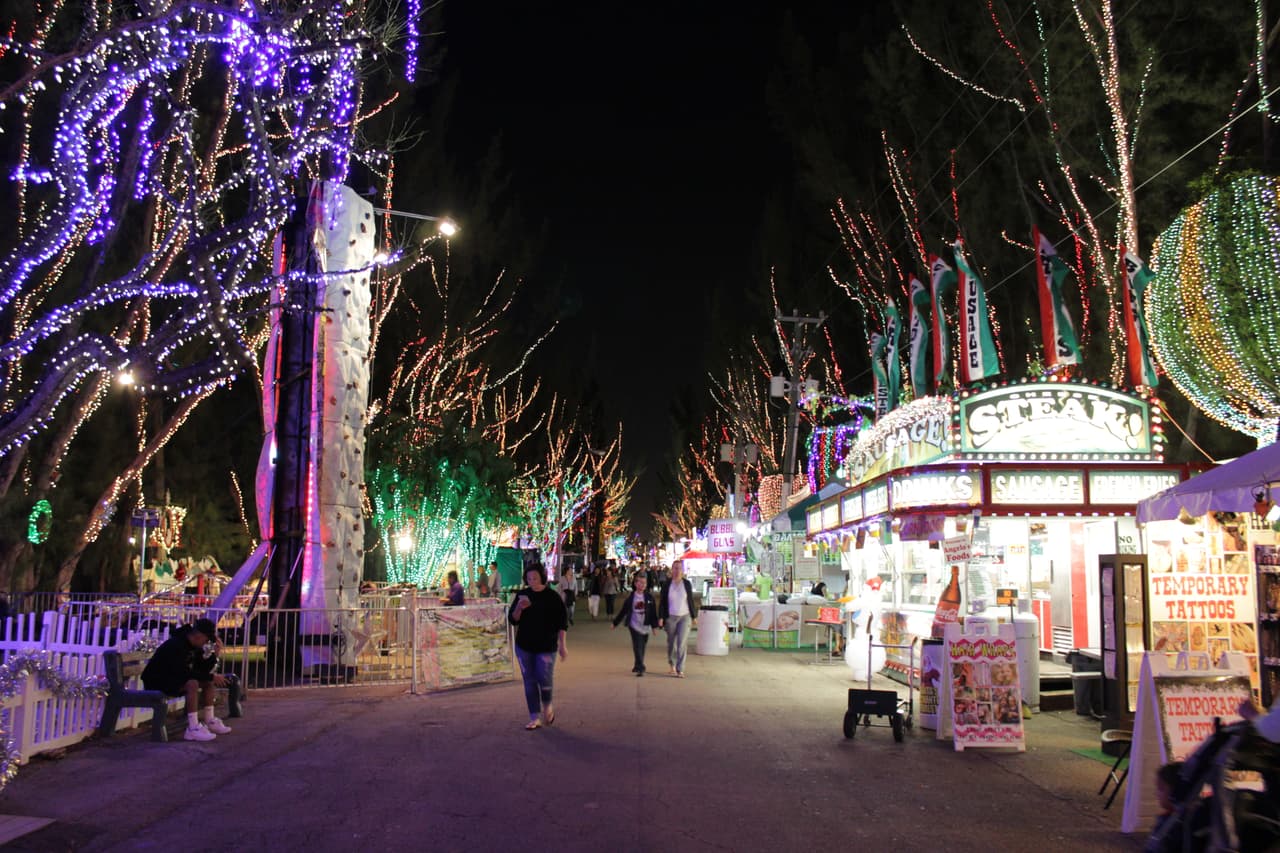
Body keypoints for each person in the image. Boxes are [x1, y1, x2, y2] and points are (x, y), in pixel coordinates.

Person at [140, 617, 232, 742]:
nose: (206, 643)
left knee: (208, 682)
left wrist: (215, 655)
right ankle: (193, 728)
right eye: (206, 639)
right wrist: (211, 676)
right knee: (192, 683)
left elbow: (200, 669)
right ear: (199, 635)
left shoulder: (192, 646)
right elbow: (184, 673)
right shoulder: (176, 645)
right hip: (158, 681)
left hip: (173, 678)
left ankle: (209, 720)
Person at [508, 563, 568, 730]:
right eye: (528, 578)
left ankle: (547, 705)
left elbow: (562, 622)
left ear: (542, 576)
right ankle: (534, 717)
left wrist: (563, 645)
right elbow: (513, 620)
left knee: (544, 677)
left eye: (534, 577)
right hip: (524, 645)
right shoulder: (523, 595)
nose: (532, 581)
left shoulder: (552, 596)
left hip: (546, 646)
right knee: (529, 681)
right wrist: (519, 607)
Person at [613, 570, 659, 675]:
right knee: (637, 645)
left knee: (642, 646)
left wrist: (654, 627)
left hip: (645, 625)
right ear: (635, 583)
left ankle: (637, 664)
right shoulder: (631, 598)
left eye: (644, 583)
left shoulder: (649, 598)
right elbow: (623, 611)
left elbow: (652, 613)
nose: (642, 585)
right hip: (634, 625)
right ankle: (641, 667)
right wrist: (615, 623)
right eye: (640, 582)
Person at [659, 560, 698, 678]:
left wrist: (694, 616)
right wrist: (661, 617)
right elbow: (662, 602)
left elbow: (690, 600)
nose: (677, 571)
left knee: (682, 643)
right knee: (671, 643)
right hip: (670, 617)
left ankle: (680, 668)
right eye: (675, 568)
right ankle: (672, 664)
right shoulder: (666, 584)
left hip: (684, 616)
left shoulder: (686, 583)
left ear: (683, 570)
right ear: (672, 570)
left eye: (679, 568)